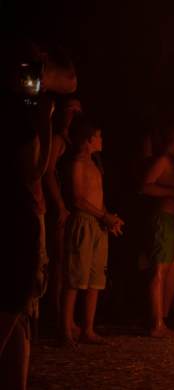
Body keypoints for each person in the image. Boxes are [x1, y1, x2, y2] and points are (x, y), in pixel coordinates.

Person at [1, 41, 76, 390]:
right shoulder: (17, 112)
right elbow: (33, 170)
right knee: (10, 312)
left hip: (17, 218)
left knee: (19, 318)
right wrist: (46, 121)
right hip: (13, 219)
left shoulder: (16, 108)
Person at [60, 118, 123, 346]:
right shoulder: (77, 163)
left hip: (98, 224)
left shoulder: (94, 164)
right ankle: (66, 330)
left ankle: (88, 329)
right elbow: (77, 199)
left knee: (96, 279)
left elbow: (97, 197)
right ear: (89, 140)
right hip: (84, 223)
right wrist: (102, 215)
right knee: (75, 278)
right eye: (99, 136)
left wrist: (109, 218)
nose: (102, 140)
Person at [140, 116, 174, 338]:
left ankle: (163, 319)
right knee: (159, 270)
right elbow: (144, 186)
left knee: (170, 268)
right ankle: (156, 324)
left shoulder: (171, 159)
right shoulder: (163, 160)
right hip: (164, 220)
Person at [45, 97, 82, 327]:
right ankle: (58, 316)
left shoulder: (70, 139)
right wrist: (59, 204)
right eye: (70, 110)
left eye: (78, 111)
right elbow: (48, 172)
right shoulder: (57, 138)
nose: (74, 115)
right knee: (58, 261)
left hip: (69, 205)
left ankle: (64, 317)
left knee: (66, 261)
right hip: (60, 206)